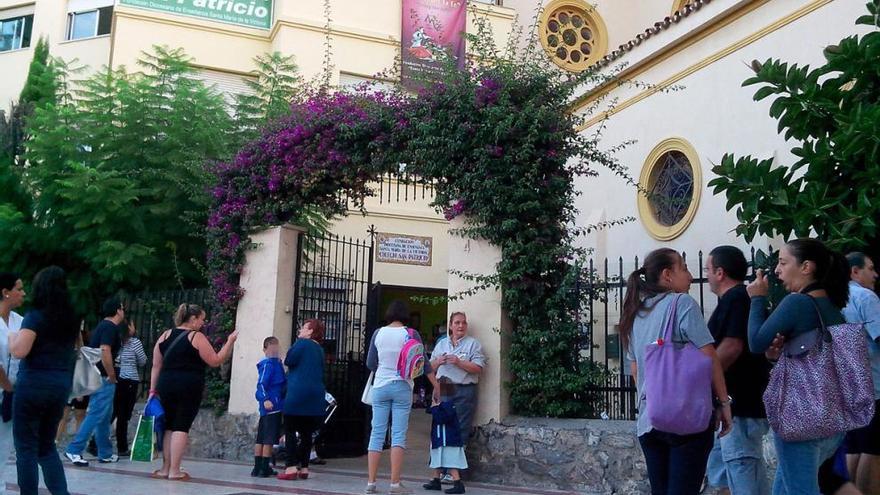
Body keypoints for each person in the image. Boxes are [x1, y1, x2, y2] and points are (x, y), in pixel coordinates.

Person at [619, 248, 732, 495]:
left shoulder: (635, 313)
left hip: (650, 421)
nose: (691, 276)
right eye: (684, 268)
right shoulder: (682, 304)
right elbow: (709, 357)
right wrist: (724, 403)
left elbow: (636, 368)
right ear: (667, 275)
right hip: (686, 420)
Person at [748, 238, 851, 495]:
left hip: (800, 417)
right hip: (831, 418)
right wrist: (776, 357)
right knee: (784, 489)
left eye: (783, 263)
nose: (776, 270)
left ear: (806, 267)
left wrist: (757, 299)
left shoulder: (797, 303)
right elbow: (810, 359)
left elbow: (755, 341)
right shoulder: (833, 308)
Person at [703, 246, 771, 495]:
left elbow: (732, 346)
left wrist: (701, 379)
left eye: (708, 270)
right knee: (723, 477)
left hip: (740, 405)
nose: (706, 276)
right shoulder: (734, 300)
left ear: (720, 272)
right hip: (731, 408)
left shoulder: (737, 298)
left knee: (744, 478)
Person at [9, 266, 79, 495]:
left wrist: (11, 338)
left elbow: (20, 351)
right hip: (60, 385)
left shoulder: (35, 316)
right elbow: (76, 348)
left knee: (26, 447)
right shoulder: (71, 318)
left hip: (33, 384)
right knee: (47, 446)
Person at [149, 303, 238, 481]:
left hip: (166, 384)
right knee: (181, 426)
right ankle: (175, 471)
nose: (203, 323)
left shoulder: (164, 335)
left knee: (168, 427)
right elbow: (215, 360)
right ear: (193, 319)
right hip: (189, 385)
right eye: (201, 319)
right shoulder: (196, 337)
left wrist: (152, 389)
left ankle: (165, 469)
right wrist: (230, 341)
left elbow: (156, 365)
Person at [365, 300, 440, 495]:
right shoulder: (411, 334)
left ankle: (371, 483)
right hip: (402, 386)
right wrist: (436, 385)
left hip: (380, 386)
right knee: (398, 435)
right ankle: (395, 484)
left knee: (377, 433)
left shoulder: (378, 333)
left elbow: (371, 363)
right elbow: (423, 364)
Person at [65, 297, 125, 466]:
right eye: (122, 309)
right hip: (104, 377)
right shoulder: (110, 327)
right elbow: (105, 350)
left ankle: (105, 452)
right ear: (118, 310)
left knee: (104, 416)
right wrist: (111, 374)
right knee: (97, 414)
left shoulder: (103, 326)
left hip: (99, 375)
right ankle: (74, 449)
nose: (123, 312)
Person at [429, 312, 485, 484]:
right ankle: (441, 471)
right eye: (457, 323)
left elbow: (478, 368)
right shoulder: (441, 344)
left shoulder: (473, 344)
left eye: (464, 323)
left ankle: (455, 473)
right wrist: (438, 362)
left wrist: (459, 362)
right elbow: (428, 367)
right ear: (450, 326)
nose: (461, 326)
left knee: (460, 429)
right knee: (442, 429)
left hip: (465, 388)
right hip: (446, 387)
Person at [842, 252, 880, 494]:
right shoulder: (866, 297)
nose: (875, 274)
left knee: (854, 447)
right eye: (870, 268)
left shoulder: (836, 297)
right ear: (855, 271)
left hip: (847, 385)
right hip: (874, 384)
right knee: (874, 450)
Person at [278, 320, 326, 481]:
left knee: (290, 429)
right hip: (316, 395)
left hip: (298, 393)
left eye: (304, 327)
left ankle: (291, 467)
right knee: (306, 433)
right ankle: (304, 467)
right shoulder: (319, 349)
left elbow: (289, 360)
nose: (300, 330)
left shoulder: (302, 344)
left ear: (310, 331)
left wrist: (285, 356)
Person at [0, 272, 24, 495]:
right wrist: (7, 386)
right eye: (19, 288)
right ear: (5, 292)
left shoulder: (20, 321)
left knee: (4, 445)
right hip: (5, 388)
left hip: (12, 391)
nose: (23, 293)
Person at [422, 378, 467, 494]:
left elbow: (442, 418)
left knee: (450, 461)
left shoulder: (449, 405)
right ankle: (436, 480)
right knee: (436, 460)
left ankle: (458, 483)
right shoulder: (442, 403)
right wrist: (433, 404)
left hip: (448, 440)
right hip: (439, 439)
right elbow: (430, 411)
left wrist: (435, 407)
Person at [111, 319, 147, 456]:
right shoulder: (135, 342)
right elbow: (143, 361)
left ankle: (94, 442)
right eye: (132, 325)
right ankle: (122, 447)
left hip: (117, 379)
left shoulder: (116, 342)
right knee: (124, 415)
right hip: (130, 380)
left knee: (113, 412)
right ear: (128, 328)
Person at [253, 336, 285, 478]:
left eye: (276, 347)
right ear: (265, 349)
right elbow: (261, 384)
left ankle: (258, 467)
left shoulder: (275, 363)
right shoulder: (268, 365)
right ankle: (264, 467)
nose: (275, 350)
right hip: (273, 405)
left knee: (262, 437)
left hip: (271, 404)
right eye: (272, 347)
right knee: (269, 438)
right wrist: (265, 399)